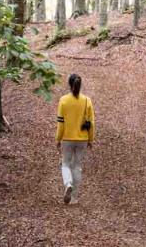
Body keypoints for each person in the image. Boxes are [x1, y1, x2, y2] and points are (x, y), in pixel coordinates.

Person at [55, 73, 95, 204]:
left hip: (67, 138)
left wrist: (58, 138)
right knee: (77, 166)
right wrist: (91, 139)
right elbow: (91, 122)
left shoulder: (63, 100)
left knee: (65, 163)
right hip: (82, 138)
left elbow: (60, 122)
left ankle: (68, 183)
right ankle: (74, 198)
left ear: (69, 84)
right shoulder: (87, 101)